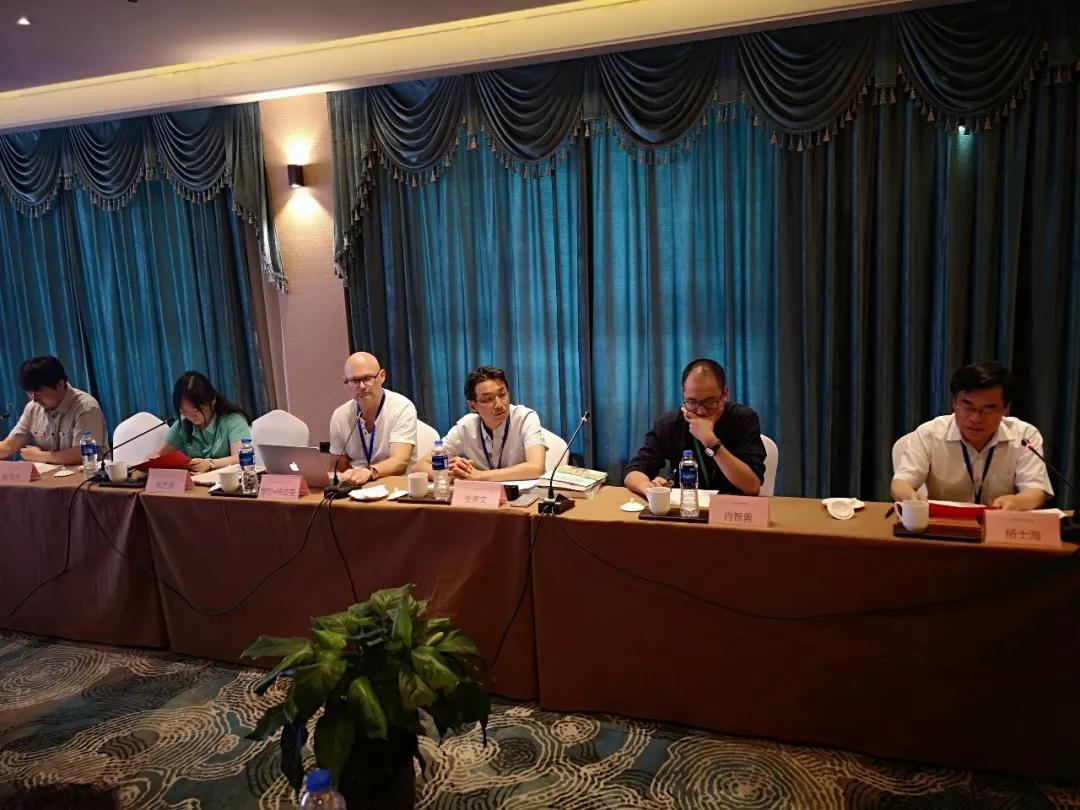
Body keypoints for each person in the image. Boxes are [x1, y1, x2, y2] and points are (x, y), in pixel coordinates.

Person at [890, 361, 1051, 510]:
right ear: (955, 403)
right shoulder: (930, 434)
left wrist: (1016, 502)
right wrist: (910, 497)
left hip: (1000, 524)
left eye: (987, 409)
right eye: (968, 407)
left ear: (1005, 409)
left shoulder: (1025, 436)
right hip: (944, 524)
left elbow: (1035, 491)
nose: (975, 418)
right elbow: (900, 483)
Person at [624, 358, 766, 497]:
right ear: (684, 394)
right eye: (692, 402)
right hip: (687, 505)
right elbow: (635, 470)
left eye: (710, 402)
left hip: (731, 506)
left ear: (725, 394)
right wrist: (649, 488)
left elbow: (752, 487)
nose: (701, 411)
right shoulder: (670, 423)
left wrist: (711, 442)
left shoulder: (744, 419)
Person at [415, 366, 548, 482]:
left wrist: (479, 476)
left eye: (502, 394)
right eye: (488, 399)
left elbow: (536, 467)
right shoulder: (465, 427)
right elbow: (420, 466)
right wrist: (453, 475)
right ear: (473, 406)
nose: (499, 405)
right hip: (482, 497)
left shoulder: (525, 418)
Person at [0, 355, 108, 465]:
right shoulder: (32, 408)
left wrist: (38, 456)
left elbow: (81, 455)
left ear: (60, 384)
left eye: (38, 392)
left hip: (88, 473)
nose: (34, 399)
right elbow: (9, 446)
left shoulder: (86, 407)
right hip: (51, 474)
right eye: (30, 393)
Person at [330, 352, 417, 486]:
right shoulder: (340, 415)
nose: (362, 386)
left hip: (395, 487)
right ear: (346, 382)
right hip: (356, 489)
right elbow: (338, 469)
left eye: (367, 378)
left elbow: (400, 462)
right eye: (354, 381)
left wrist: (368, 472)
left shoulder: (402, 407)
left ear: (382, 376)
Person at [151, 371, 251, 474]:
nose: (191, 416)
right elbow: (158, 455)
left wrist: (210, 464)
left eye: (196, 410)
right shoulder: (183, 424)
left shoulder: (233, 420)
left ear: (212, 400)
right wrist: (151, 461)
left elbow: (241, 457)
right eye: (185, 411)